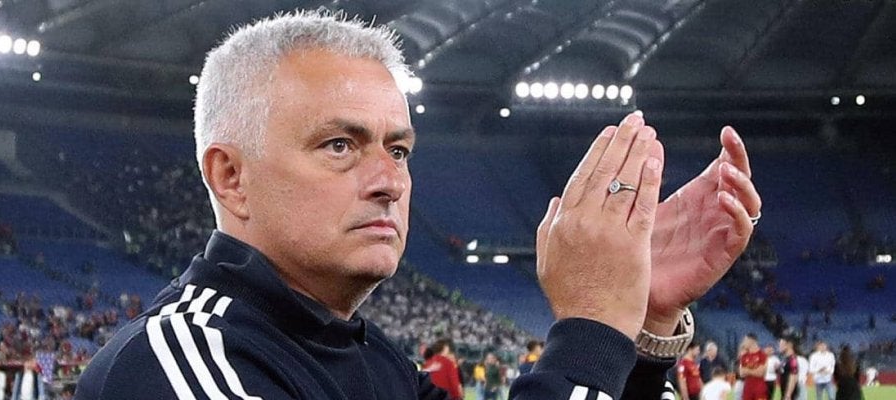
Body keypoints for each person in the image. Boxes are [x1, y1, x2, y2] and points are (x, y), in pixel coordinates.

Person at [75, 9, 761, 400]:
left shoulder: (375, 363)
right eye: (340, 145)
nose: (390, 180)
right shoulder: (179, 364)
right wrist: (590, 328)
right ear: (230, 177)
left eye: (399, 149)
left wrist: (641, 330)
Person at [739, 334, 768, 400]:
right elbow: (741, 373)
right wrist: (754, 371)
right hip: (747, 389)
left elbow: (760, 373)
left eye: (745, 340)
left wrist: (747, 371)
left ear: (751, 341)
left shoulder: (762, 355)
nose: (743, 343)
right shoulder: (744, 356)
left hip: (759, 388)